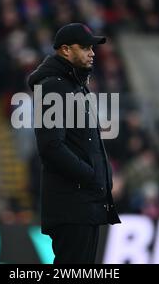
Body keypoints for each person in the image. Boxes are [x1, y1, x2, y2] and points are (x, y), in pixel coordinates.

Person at [27, 23, 121, 264]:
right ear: (66, 50)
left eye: (93, 48)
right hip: (73, 206)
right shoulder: (55, 87)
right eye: (86, 47)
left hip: (84, 205)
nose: (92, 53)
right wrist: (89, 175)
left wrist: (103, 175)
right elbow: (50, 146)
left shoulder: (74, 85)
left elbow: (86, 142)